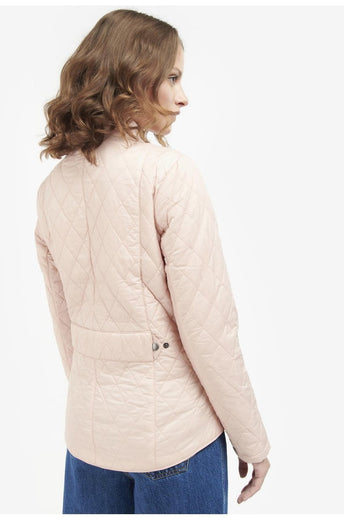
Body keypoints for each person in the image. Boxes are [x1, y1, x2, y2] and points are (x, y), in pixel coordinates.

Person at [34, 8, 271, 514]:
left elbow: (66, 328)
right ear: (133, 77)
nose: (184, 97)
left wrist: (103, 415)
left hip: (89, 443)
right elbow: (210, 329)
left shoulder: (52, 189)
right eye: (173, 77)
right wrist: (252, 441)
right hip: (176, 443)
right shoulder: (169, 174)